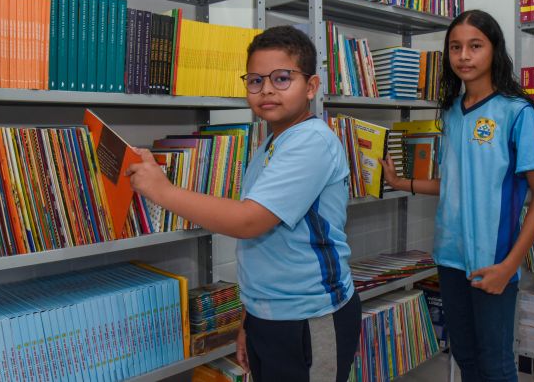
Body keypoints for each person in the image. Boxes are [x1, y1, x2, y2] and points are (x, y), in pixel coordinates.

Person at [127, 25, 361, 382]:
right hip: (271, 316)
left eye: (282, 78)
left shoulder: (311, 141)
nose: (266, 89)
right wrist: (251, 319)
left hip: (310, 318)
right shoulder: (272, 144)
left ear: (311, 87)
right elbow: (262, 249)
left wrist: (163, 192)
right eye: (255, 80)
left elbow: (248, 222)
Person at [381, 9, 534, 382]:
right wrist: (403, 184)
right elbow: (455, 183)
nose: (464, 56)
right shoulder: (452, 113)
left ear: (494, 50)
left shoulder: (516, 113)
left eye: (475, 46)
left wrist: (509, 266)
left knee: (496, 363)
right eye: (455, 47)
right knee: (464, 356)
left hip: (493, 261)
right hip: (451, 258)